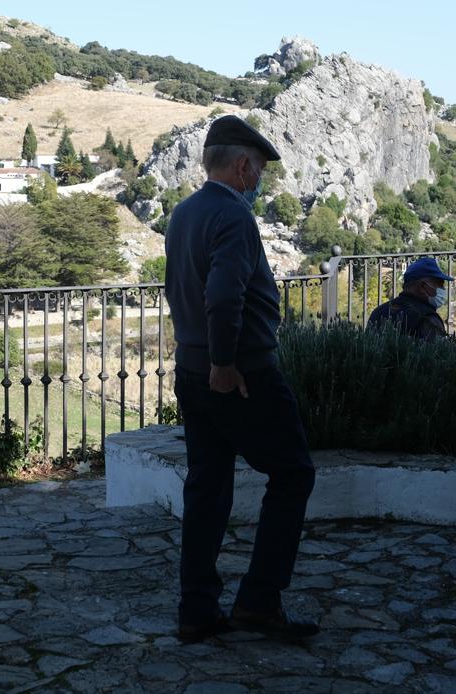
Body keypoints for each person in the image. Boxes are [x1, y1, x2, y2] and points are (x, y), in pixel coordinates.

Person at [164, 115, 318, 643]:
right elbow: (224, 295)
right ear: (242, 165)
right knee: (294, 473)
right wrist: (225, 364)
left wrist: (203, 359)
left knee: (207, 486)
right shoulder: (234, 217)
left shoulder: (183, 214)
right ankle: (259, 600)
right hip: (241, 372)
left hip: (191, 367)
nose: (259, 182)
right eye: (258, 172)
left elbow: (180, 291)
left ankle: (197, 610)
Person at [366, 257, 454, 339]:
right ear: (422, 286)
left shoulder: (379, 312)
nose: (442, 289)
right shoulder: (428, 320)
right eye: (439, 284)